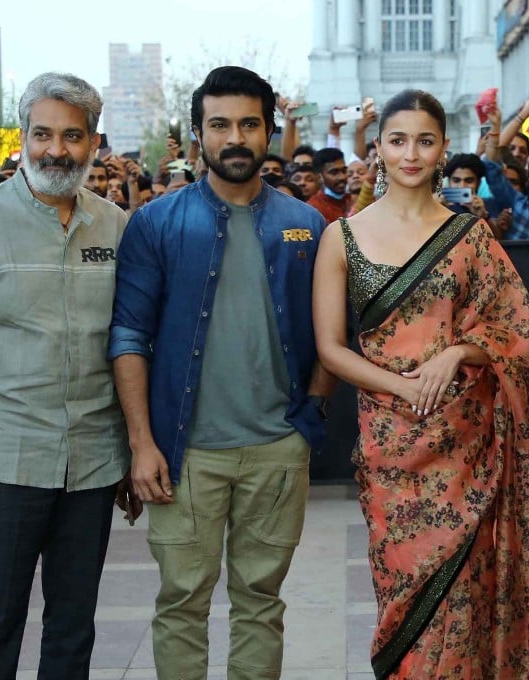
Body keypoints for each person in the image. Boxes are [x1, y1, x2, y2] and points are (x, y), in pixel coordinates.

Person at [312, 89, 529, 679]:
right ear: (378, 148)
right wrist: (402, 387)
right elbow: (330, 349)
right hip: (391, 453)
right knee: (406, 598)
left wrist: (461, 353)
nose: (410, 153)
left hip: (468, 451)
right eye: (398, 140)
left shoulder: (471, 237)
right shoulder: (342, 237)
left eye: (424, 140)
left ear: (443, 148)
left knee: (465, 599)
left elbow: (517, 326)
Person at [109, 65, 332, 680]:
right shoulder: (157, 223)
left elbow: (330, 335)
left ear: (269, 131)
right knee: (181, 602)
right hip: (185, 455)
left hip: (277, 449)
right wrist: (142, 443)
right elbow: (128, 336)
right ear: (198, 133)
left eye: (249, 124)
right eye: (220, 124)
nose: (235, 137)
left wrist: (309, 414)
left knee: (262, 602)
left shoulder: (307, 226)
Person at [0, 72, 131, 679]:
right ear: (23, 138)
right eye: (42, 134)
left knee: (73, 626)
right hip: (3, 464)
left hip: (91, 465)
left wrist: (130, 452)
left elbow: (125, 348)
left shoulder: (115, 228)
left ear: (94, 141)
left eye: (71, 136)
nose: (55, 150)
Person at [307, 147, 352, 222]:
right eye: (334, 172)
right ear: (319, 177)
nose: (342, 177)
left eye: (344, 171)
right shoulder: (314, 208)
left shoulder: (352, 200)